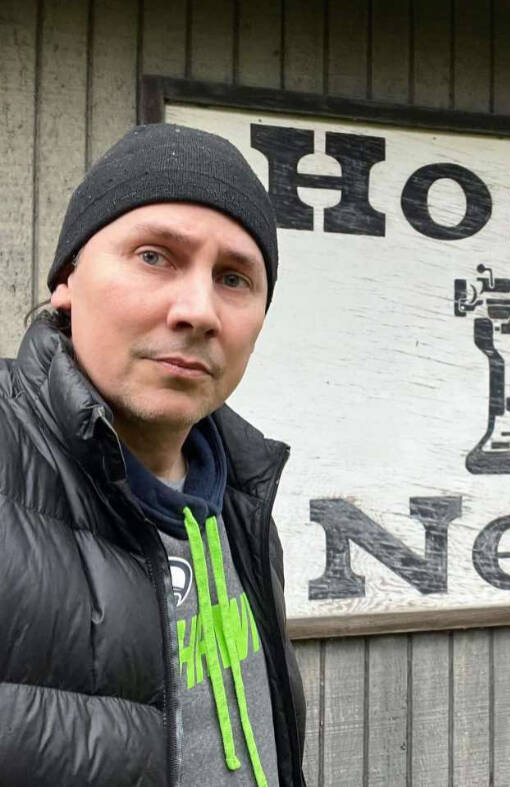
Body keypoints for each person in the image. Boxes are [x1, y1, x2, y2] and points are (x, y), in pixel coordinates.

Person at [0, 124, 305, 786]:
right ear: (67, 280)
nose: (198, 310)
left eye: (233, 277)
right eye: (154, 256)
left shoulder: (243, 501)